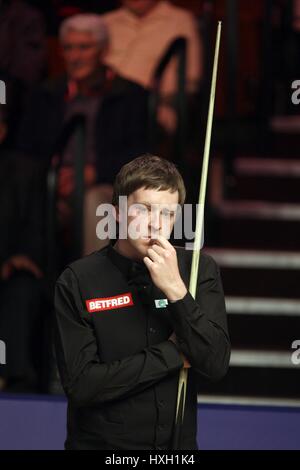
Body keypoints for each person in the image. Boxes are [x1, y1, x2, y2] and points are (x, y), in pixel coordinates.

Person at [54, 154, 230, 450]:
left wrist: (176, 291)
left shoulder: (198, 270)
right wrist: (172, 354)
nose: (155, 225)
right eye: (144, 210)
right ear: (118, 213)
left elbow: (214, 364)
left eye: (167, 214)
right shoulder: (77, 281)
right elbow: (82, 386)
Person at [15, 13, 149, 258]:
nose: (75, 57)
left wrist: (92, 172)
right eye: (68, 48)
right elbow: (26, 150)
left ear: (104, 50)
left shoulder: (130, 94)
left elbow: (139, 153)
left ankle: (96, 290)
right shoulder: (46, 94)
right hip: (50, 185)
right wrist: (51, 175)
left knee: (95, 203)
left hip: (105, 184)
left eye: (84, 48)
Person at [102, 0, 203, 133]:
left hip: (155, 109)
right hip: (105, 105)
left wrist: (155, 102)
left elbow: (191, 77)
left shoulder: (180, 20)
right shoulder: (105, 22)